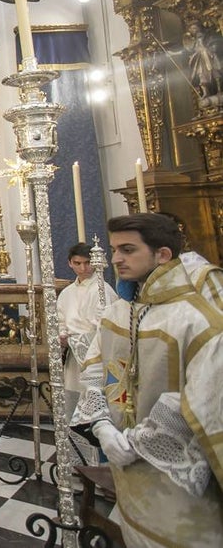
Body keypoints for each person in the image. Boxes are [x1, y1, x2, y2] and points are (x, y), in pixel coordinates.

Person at [72, 214, 223, 546]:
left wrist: (136, 442)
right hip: (128, 476)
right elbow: (95, 369)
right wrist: (101, 425)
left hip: (177, 484)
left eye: (128, 250)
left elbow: (205, 397)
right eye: (113, 250)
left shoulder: (196, 317)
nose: (115, 259)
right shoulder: (118, 313)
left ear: (163, 254)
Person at [57, 243, 111, 423]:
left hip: (96, 355)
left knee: (95, 399)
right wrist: (63, 336)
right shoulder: (66, 293)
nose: (83, 268)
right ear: (69, 263)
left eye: (87, 263)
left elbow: (106, 325)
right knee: (74, 397)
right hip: (74, 356)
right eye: (77, 263)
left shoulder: (102, 289)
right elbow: (61, 319)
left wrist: (76, 340)